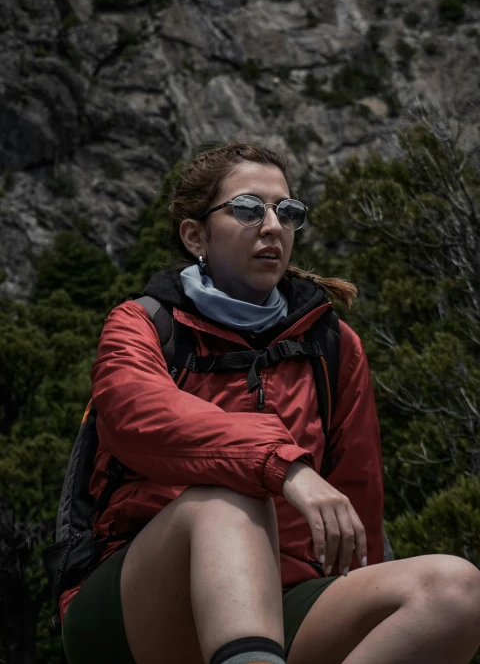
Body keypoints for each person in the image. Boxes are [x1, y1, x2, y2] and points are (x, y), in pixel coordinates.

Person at [60, 141, 480, 664]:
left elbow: (356, 506)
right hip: (138, 601)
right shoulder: (143, 324)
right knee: (231, 496)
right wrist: (285, 468)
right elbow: (136, 418)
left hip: (285, 603)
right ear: (196, 236)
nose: (273, 226)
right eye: (246, 209)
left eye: (287, 211)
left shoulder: (332, 344)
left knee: (456, 591)